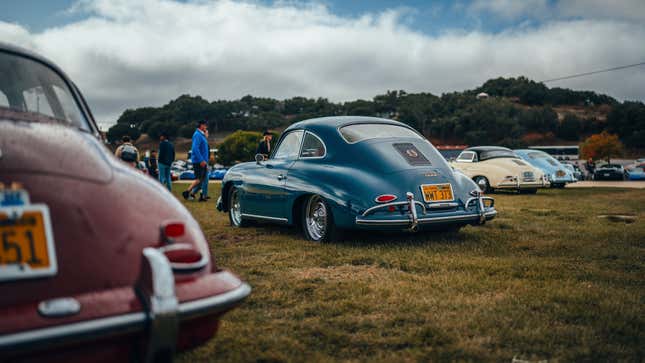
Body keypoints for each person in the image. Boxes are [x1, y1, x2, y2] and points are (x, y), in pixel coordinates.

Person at [182, 121, 209, 202]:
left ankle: (200, 196)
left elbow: (203, 148)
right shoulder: (197, 135)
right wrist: (201, 160)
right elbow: (195, 148)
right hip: (199, 161)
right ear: (201, 125)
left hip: (203, 161)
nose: (206, 127)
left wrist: (206, 136)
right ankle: (186, 192)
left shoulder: (201, 135)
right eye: (205, 125)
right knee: (198, 180)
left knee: (203, 180)